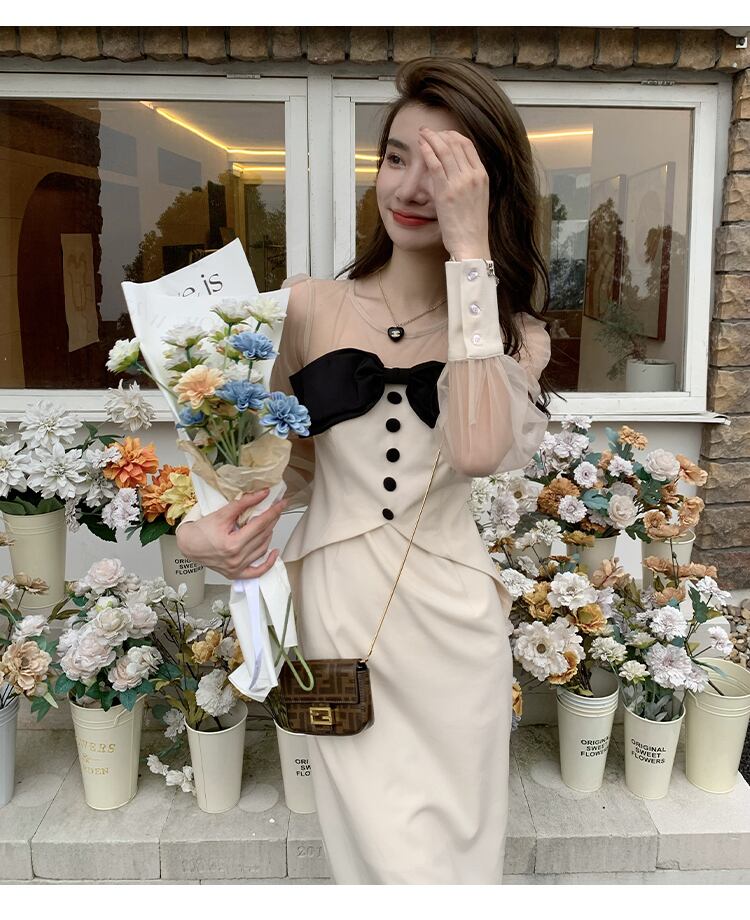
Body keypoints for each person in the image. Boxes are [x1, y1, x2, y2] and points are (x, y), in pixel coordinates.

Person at [176, 56, 552, 884]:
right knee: (376, 866)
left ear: (484, 186)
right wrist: (197, 532)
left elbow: (477, 451)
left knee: (458, 866)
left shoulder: (512, 332)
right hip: (339, 618)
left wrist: (469, 255)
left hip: (456, 629)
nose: (412, 186)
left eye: (443, 167)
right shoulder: (308, 306)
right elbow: (269, 466)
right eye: (396, 157)